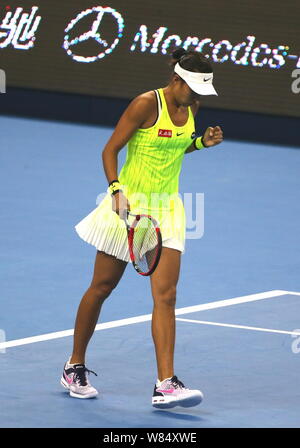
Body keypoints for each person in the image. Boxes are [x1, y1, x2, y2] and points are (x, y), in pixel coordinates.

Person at [60, 48, 223, 409]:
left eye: (200, 94)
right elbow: (110, 150)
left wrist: (200, 142)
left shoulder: (191, 107)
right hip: (129, 208)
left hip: (168, 210)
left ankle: (165, 383)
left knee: (166, 295)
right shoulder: (145, 104)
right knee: (102, 287)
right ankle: (74, 365)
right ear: (177, 80)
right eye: (193, 90)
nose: (197, 98)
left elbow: (173, 149)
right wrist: (116, 191)